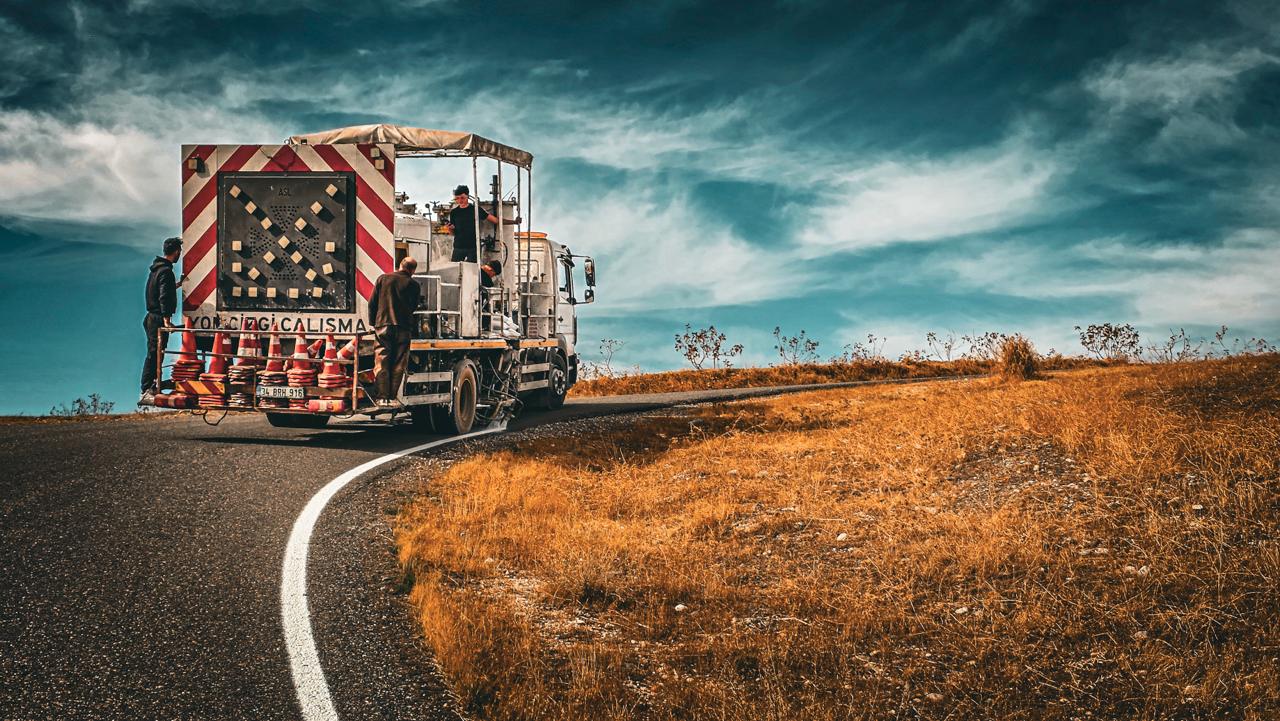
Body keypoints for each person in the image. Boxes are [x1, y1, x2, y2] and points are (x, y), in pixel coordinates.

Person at [368, 256, 422, 406]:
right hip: (404, 328)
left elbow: (372, 303)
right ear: (412, 270)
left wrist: (373, 323)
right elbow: (414, 306)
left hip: (383, 325)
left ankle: (381, 397)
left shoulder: (383, 279)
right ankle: (391, 397)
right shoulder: (414, 285)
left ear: (400, 265)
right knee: (399, 362)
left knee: (382, 361)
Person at [139, 237, 182, 404]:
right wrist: (166, 320)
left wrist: (177, 284)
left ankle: (151, 386)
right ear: (176, 251)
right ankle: (145, 389)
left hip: (151, 317)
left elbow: (161, 290)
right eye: (180, 251)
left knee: (156, 353)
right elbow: (164, 297)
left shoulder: (157, 270)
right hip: (157, 319)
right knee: (154, 354)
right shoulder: (166, 272)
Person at [446, 185, 520, 262]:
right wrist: (450, 229)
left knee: (473, 272)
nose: (460, 200)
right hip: (458, 247)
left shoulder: (476, 210)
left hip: (473, 247)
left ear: (467, 196)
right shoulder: (454, 212)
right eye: (457, 198)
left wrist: (514, 222)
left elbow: (495, 220)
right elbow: (453, 233)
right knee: (455, 270)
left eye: (462, 197)